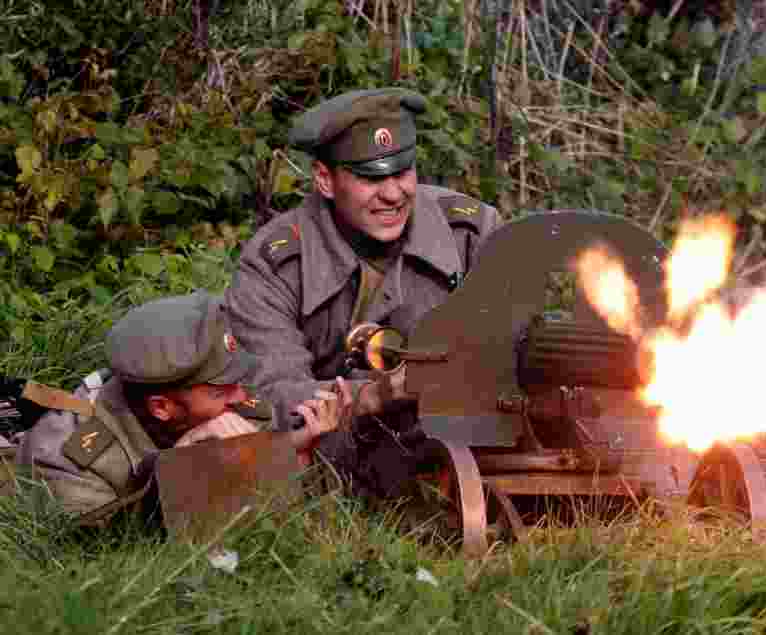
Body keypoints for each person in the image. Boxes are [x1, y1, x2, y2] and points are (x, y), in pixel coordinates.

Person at [224, 87, 501, 429]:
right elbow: (270, 396)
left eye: (401, 172)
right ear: (325, 180)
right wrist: (373, 396)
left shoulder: (472, 232)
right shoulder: (274, 267)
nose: (392, 194)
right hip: (338, 454)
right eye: (370, 178)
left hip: (468, 433)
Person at [15, 291, 345, 524]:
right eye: (219, 392)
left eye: (237, 381)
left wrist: (293, 455)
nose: (240, 396)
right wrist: (178, 466)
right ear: (162, 406)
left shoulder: (241, 406)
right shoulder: (70, 456)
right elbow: (97, 553)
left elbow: (268, 521)